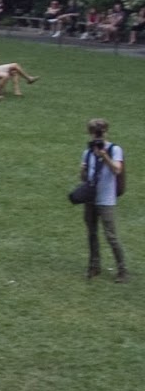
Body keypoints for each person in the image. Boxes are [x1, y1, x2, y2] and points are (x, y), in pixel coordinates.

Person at [78, 119, 128, 282]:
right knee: (92, 233)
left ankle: (122, 270)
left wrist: (104, 155)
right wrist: (83, 171)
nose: (97, 136)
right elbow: (84, 177)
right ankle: (94, 265)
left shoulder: (115, 150)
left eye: (99, 132)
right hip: (91, 199)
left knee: (111, 236)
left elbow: (116, 169)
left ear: (106, 132)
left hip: (106, 200)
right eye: (94, 133)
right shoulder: (88, 152)